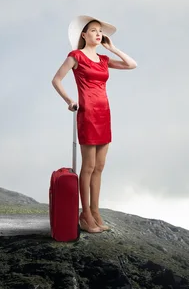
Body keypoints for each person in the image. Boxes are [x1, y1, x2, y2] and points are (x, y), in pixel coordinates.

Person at [51, 15, 137, 233]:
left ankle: (96, 212)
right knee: (88, 167)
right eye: (93, 30)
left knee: (99, 167)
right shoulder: (76, 56)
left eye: (100, 31)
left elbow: (132, 65)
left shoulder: (104, 60)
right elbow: (56, 79)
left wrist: (113, 48)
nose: (98, 34)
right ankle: (86, 214)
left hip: (104, 113)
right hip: (88, 113)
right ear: (83, 35)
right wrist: (70, 100)